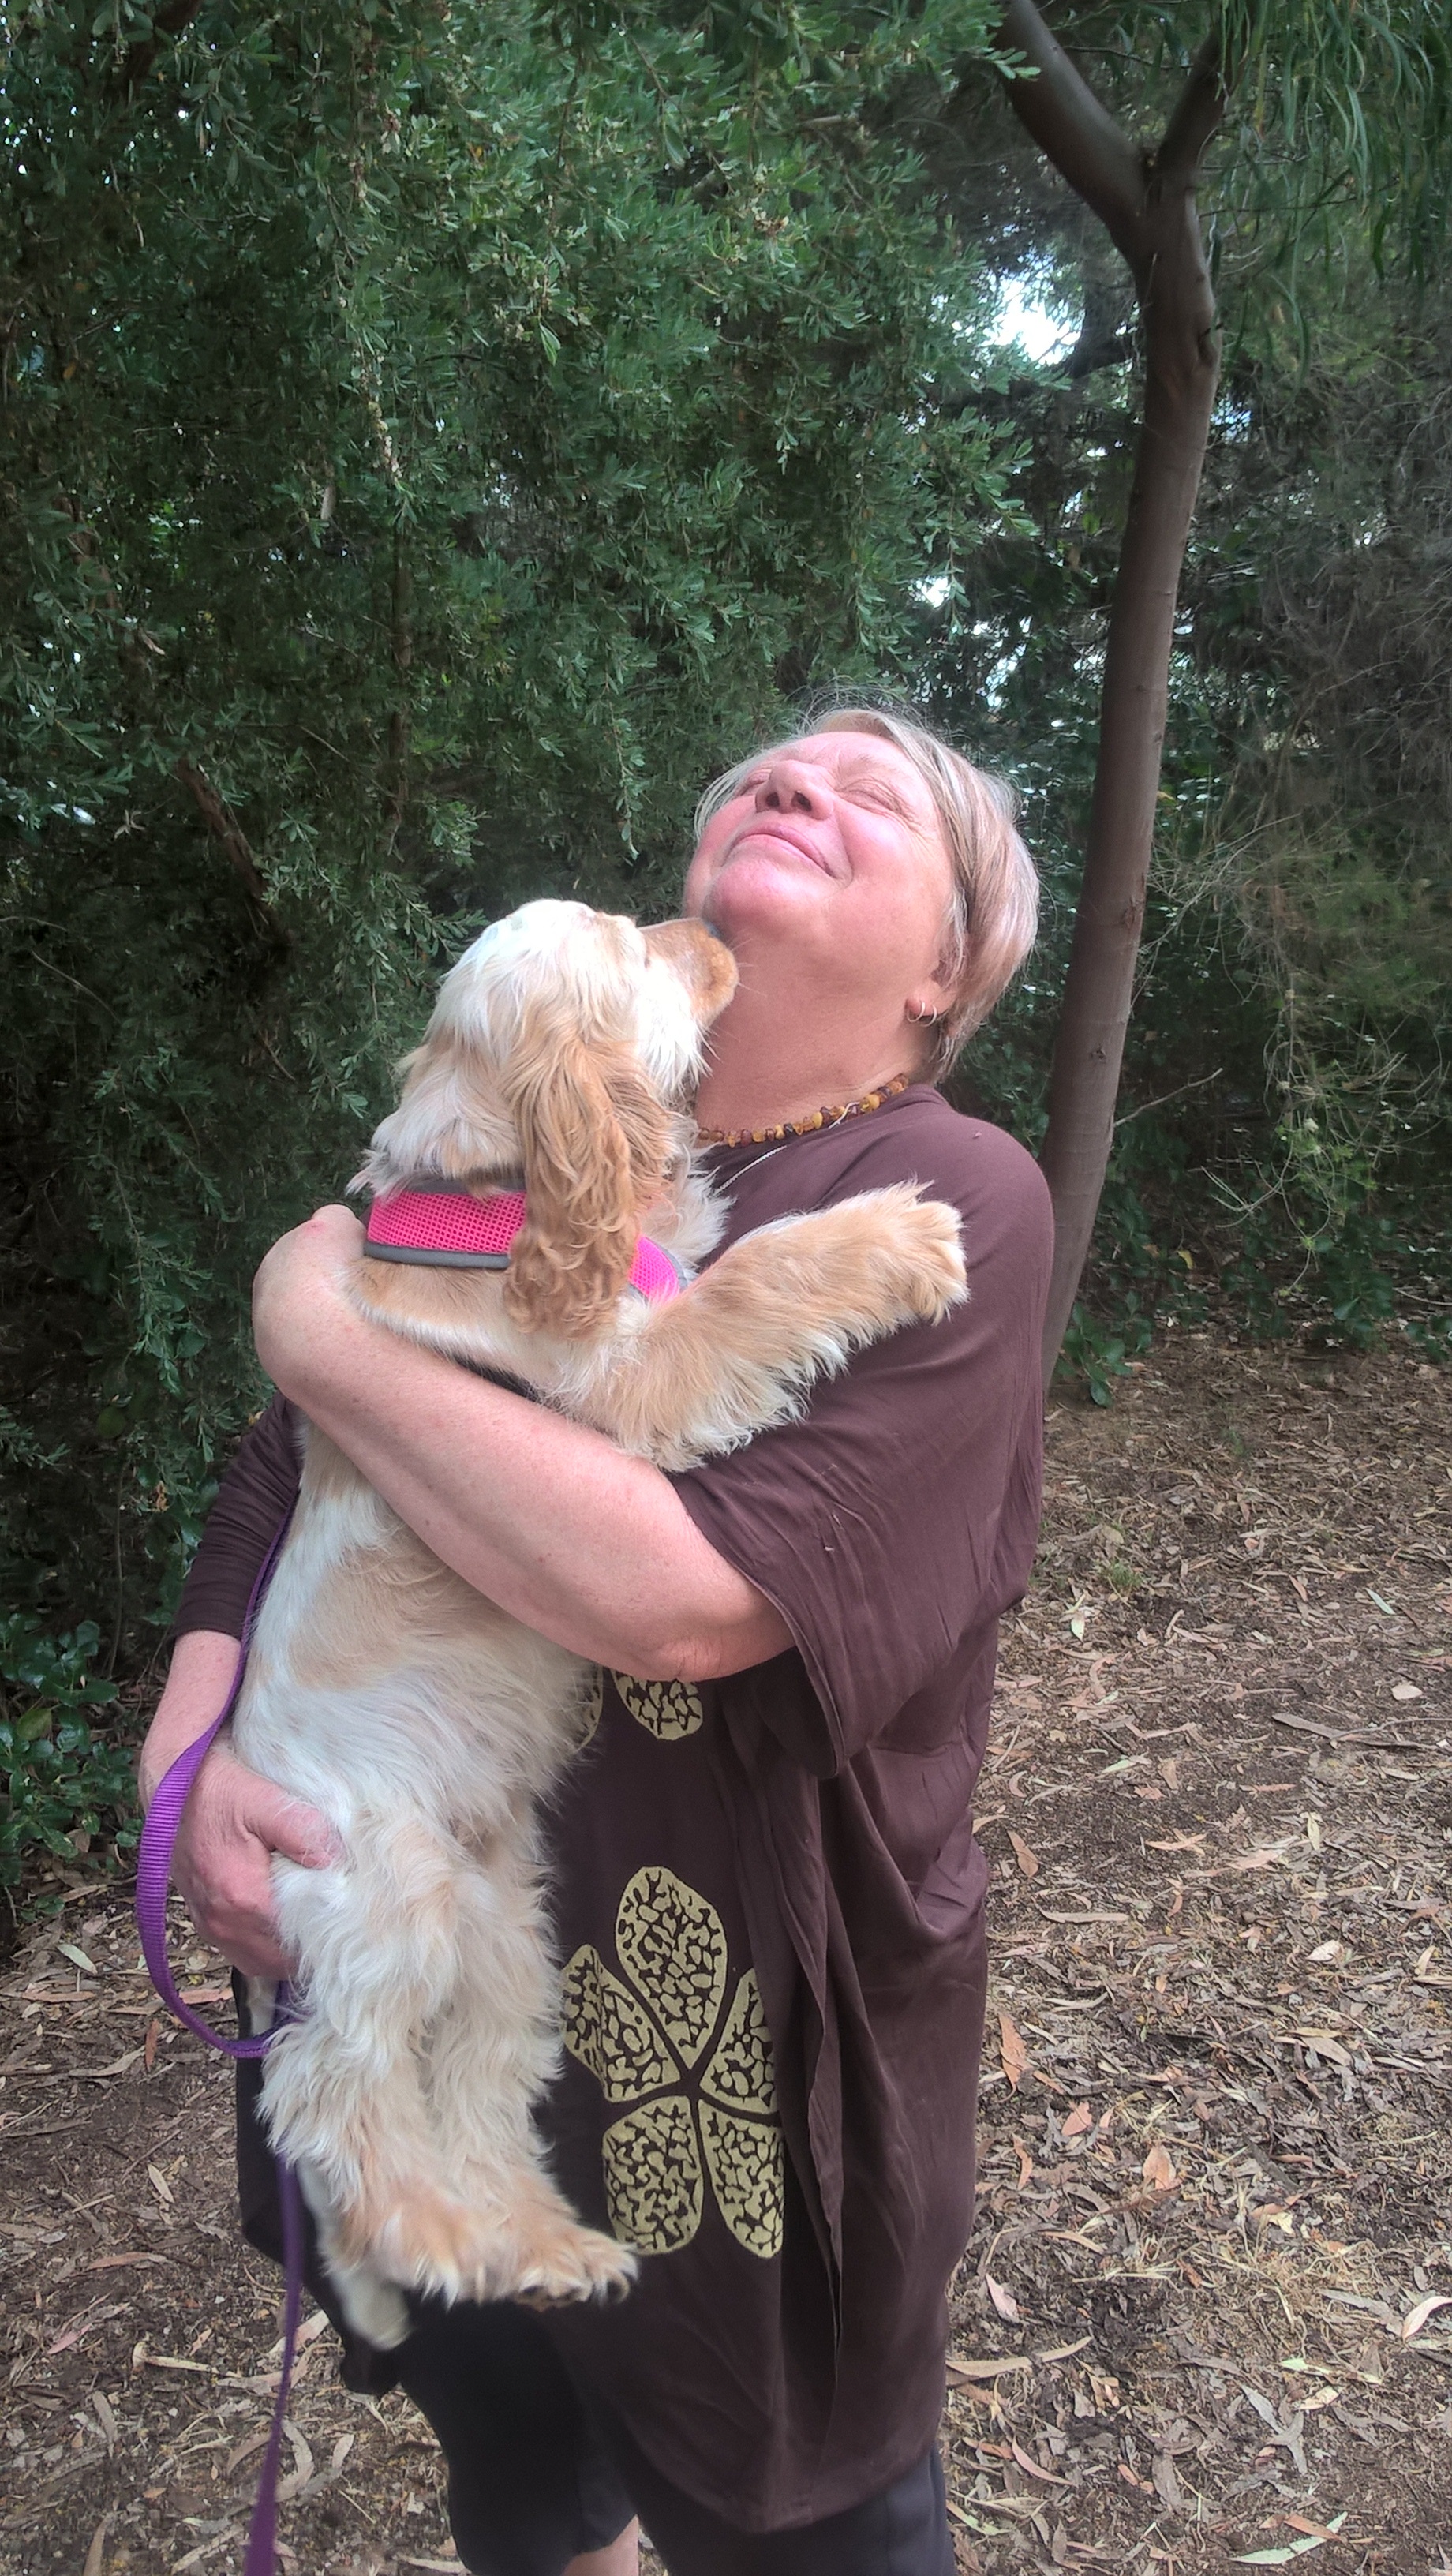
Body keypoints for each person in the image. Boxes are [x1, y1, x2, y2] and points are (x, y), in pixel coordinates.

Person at [139, 707, 1051, 2576]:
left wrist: (319, 1332)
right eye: (764, 775)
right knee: (521, 2467)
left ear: (946, 969)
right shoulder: (543, 1126)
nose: (788, 785)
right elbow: (283, 1477)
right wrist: (181, 1767)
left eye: (869, 794)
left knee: (796, 2513)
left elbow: (685, 1600)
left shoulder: (957, 1195)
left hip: (712, 2033)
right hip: (417, 1945)